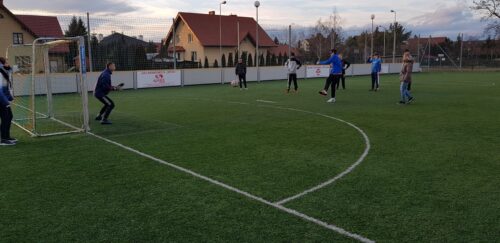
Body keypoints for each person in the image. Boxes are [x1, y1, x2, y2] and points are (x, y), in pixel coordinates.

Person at [0, 57, 16, 145]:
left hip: (3, 99)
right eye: (6, 62)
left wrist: (10, 97)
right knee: (6, 117)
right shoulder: (0, 72)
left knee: (9, 116)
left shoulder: (4, 72)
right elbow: (0, 90)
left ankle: (6, 137)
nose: (8, 64)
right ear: (2, 64)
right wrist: (6, 102)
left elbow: (5, 88)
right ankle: (3, 139)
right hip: (1, 100)